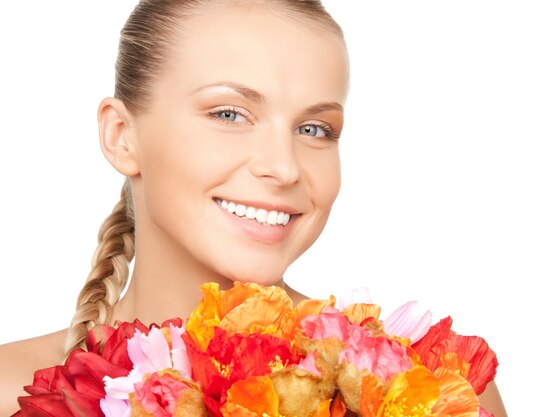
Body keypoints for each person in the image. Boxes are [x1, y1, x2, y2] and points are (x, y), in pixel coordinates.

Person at [0, 1, 506, 415]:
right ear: (121, 136)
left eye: (314, 129)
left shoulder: (431, 390)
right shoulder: (12, 394)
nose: (284, 168)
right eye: (229, 114)